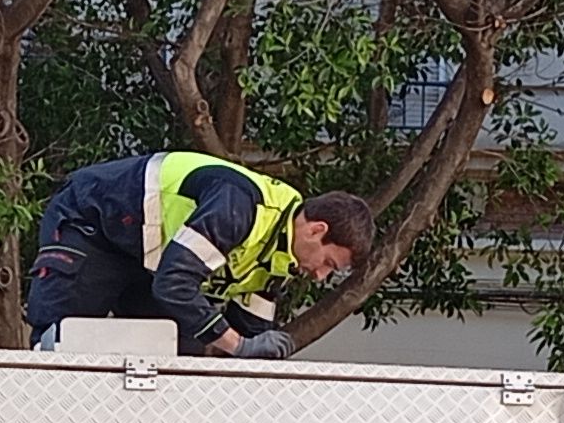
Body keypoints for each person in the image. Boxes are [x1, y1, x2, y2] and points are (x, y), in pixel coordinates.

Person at [24, 152, 374, 358]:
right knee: (63, 346)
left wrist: (258, 353)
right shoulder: (239, 206)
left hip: (149, 262)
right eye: (328, 264)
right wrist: (237, 345)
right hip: (93, 223)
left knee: (183, 352)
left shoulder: (277, 260)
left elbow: (250, 334)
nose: (319, 276)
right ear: (317, 230)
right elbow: (175, 286)